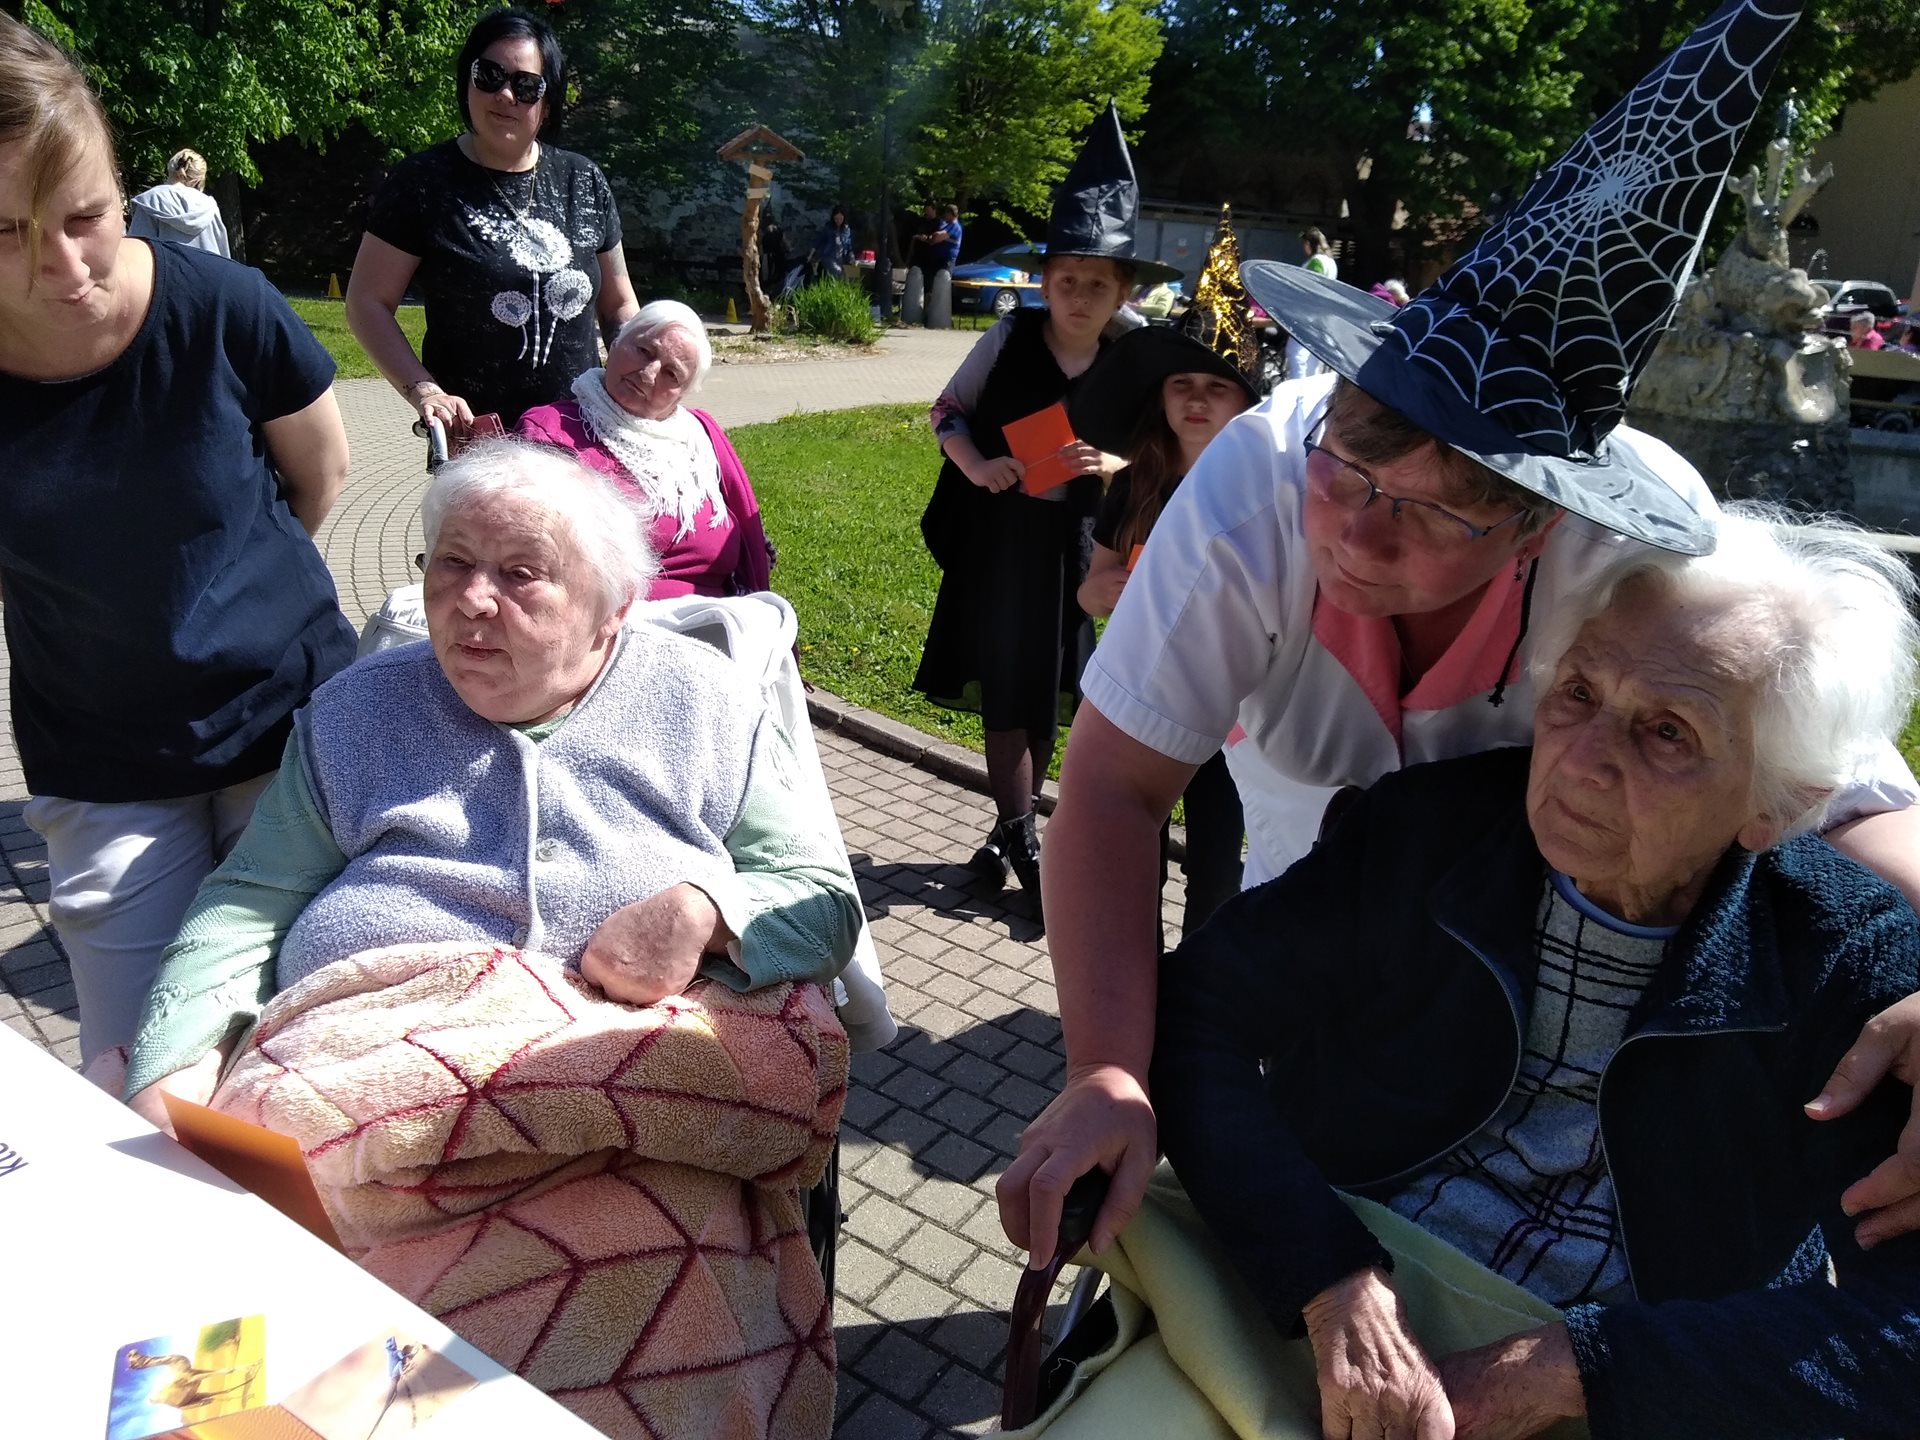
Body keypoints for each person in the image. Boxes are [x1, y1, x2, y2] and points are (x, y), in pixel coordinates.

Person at [1000, 0, 1920, 1268]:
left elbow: (1837, 787)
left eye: (1435, 515)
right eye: (1350, 469)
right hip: (1309, 929)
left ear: (1542, 524)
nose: (1359, 538)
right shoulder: (1262, 475)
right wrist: (1109, 1069)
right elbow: (1112, 787)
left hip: (1543, 997)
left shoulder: (1648, 549)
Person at [1150, 508, 1920, 1440]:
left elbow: (1903, 1333)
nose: (1582, 761)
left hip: (1631, 1389)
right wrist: (1326, 1279)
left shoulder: (1846, 960)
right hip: (1323, 1305)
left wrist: (1575, 1370)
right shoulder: (1428, 835)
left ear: (1777, 805)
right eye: (1579, 692)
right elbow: (1194, 1012)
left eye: (1667, 732)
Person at [122, 440, 861, 1121]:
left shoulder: (705, 702)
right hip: (350, 1076)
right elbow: (248, 906)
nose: (472, 599)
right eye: (453, 562)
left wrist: (706, 912)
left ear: (612, 610)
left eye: (520, 573)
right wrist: (176, 1065)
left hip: (612, 1109)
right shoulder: (355, 711)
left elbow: (822, 901)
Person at [0, 17, 354, 1067]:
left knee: (307, 1049)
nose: (64, 266)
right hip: (103, 760)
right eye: (6, 232)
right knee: (139, 1072)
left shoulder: (226, 309)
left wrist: (222, 598)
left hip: (286, 728)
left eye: (87, 217)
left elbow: (322, 473)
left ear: (126, 187)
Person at [914, 104, 1181, 915]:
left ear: (1123, 290)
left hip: (1086, 549)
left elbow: (1173, 448)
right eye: (1066, 280)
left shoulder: (1138, 358)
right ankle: (1024, 836)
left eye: (1098, 284)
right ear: (1043, 280)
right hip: (1005, 541)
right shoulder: (1008, 339)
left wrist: (1116, 463)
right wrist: (979, 463)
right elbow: (948, 411)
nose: (1079, 296)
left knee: (1049, 682)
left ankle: (1009, 833)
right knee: (1007, 679)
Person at [344, 6, 639, 433]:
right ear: (467, 82)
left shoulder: (583, 180)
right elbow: (367, 303)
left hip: (582, 432)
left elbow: (619, 304)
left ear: (548, 103)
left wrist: (638, 375)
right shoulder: (423, 182)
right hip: (478, 439)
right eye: (489, 75)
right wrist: (425, 391)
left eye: (526, 86)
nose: (505, 95)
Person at [1069, 325, 1257, 939]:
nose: (1197, 398)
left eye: (1216, 386)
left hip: (1227, 705)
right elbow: (1090, 591)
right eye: (1182, 384)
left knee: (1217, 857)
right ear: (1161, 395)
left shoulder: (1259, 490)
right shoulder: (1136, 483)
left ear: (1246, 401)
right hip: (1140, 696)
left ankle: (1203, 975)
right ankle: (1139, 970)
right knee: (1132, 848)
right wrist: (1107, 590)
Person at [516, 299, 774, 598]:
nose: (649, 373)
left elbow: (748, 534)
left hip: (722, 608)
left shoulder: (701, 434)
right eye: (644, 351)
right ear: (615, 343)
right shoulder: (551, 430)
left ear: (682, 395)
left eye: (671, 374)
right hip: (620, 615)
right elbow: (539, 553)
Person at [125, 146, 230, 257]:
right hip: (206, 267)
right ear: (198, 180)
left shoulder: (150, 201)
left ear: (171, 167)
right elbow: (223, 256)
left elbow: (136, 251)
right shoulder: (209, 207)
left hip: (167, 268)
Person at [1283, 227, 1338, 382]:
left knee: (1296, 353)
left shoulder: (1316, 261)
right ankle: (1310, 386)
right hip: (1323, 313)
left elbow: (1310, 286)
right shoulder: (1331, 261)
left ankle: (1298, 386)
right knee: (1312, 355)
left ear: (1308, 244)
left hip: (1308, 312)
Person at [810, 205, 854, 281]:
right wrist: (810, 254)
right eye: (836, 218)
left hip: (840, 258)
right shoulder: (828, 228)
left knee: (843, 277)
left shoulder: (846, 229)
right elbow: (818, 241)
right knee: (839, 274)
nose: (838, 221)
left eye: (840, 218)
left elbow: (848, 245)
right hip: (828, 256)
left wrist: (851, 256)